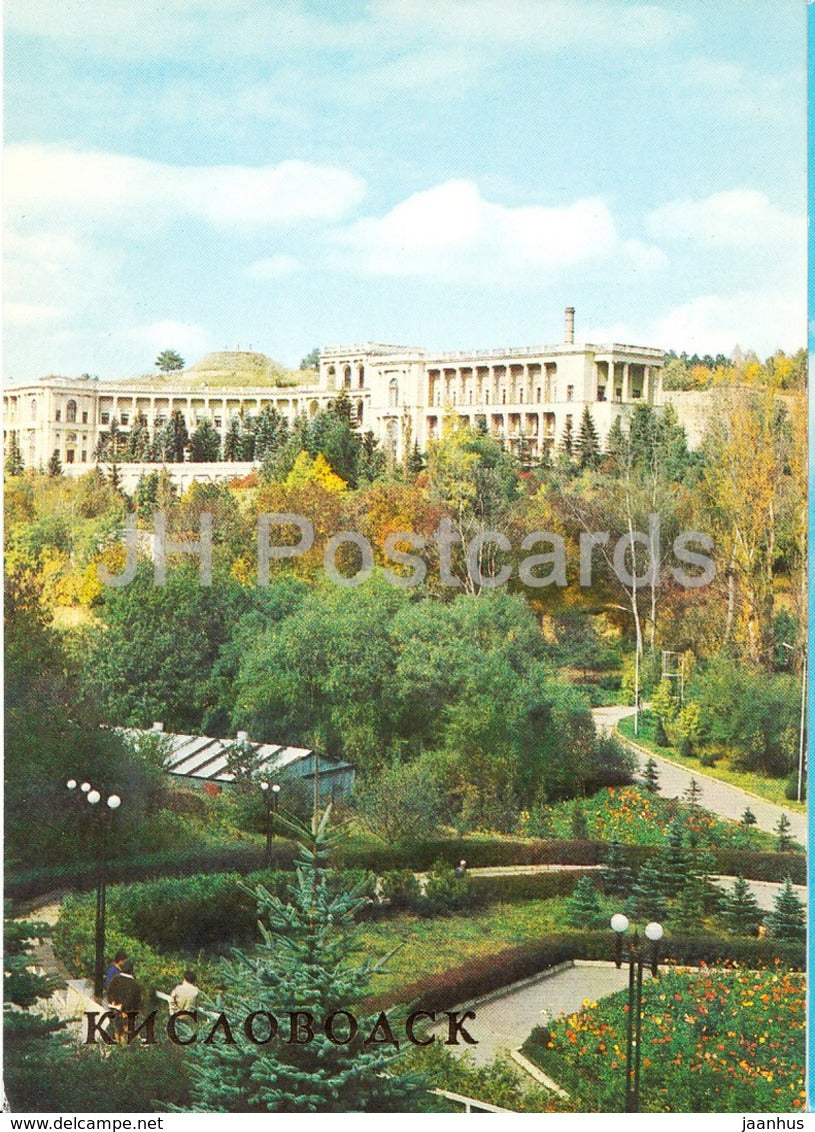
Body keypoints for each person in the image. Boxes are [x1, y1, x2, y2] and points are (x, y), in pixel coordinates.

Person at [106, 959, 142, 1041]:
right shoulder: (134, 984)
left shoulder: (115, 979)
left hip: (114, 1010)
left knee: (114, 1031)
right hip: (127, 1015)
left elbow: (109, 992)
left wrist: (113, 1002)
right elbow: (135, 1002)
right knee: (125, 1036)